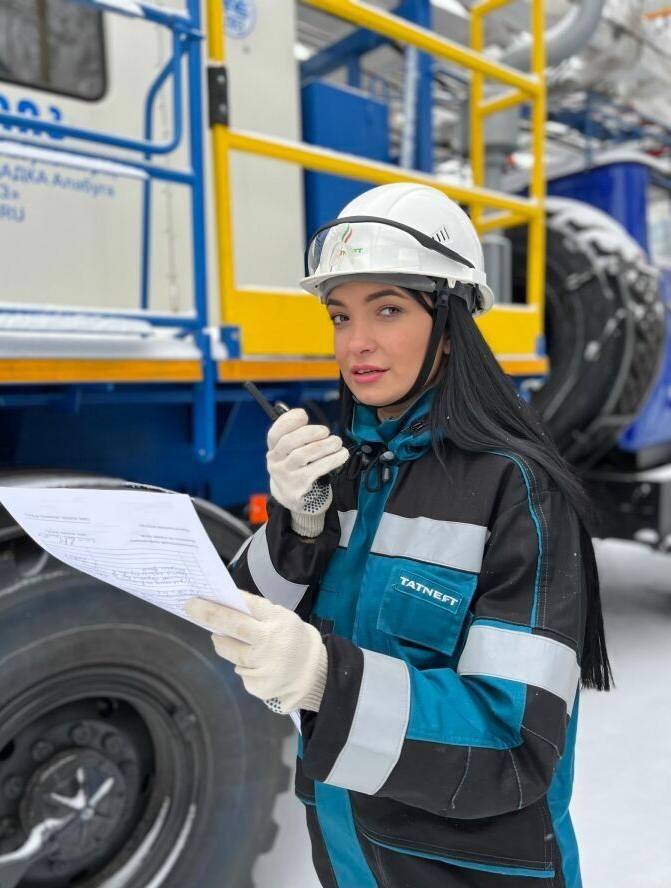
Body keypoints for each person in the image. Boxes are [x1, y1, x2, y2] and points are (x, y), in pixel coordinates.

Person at [186, 183, 612, 888]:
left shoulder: (522, 492)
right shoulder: (349, 469)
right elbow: (242, 613)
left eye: (388, 309)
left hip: (467, 870)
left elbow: (514, 745)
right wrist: (297, 519)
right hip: (351, 853)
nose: (356, 342)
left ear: (451, 324)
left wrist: (326, 676)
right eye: (340, 314)